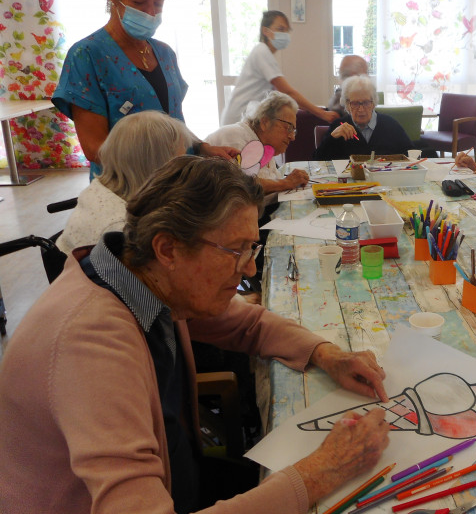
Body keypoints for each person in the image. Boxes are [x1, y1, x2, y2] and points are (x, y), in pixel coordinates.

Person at [0, 156, 390, 514]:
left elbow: (249, 324)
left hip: (179, 472)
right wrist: (322, 472)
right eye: (236, 249)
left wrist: (328, 354)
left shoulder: (141, 278)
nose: (250, 268)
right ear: (168, 248)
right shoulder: (89, 344)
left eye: (251, 247)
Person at [51, 0, 233, 179]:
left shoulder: (165, 54)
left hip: (174, 184)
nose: (150, 12)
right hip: (126, 189)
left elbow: (174, 125)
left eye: (158, 4)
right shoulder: (87, 55)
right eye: (139, 2)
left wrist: (203, 148)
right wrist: (157, 163)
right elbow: (95, 148)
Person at [56, 110, 190, 254]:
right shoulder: (122, 230)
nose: (182, 169)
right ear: (156, 165)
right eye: (180, 159)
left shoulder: (101, 187)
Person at [220, 10, 338, 125]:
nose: (285, 34)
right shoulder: (262, 52)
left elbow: (282, 96)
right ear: (265, 31)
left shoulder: (264, 53)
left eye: (287, 31)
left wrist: (312, 109)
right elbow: (287, 92)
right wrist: (320, 113)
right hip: (237, 119)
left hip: (244, 118)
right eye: (281, 29)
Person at [205, 91, 309, 204]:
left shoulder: (264, 144)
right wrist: (285, 183)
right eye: (288, 127)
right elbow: (241, 186)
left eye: (294, 130)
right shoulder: (236, 137)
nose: (292, 137)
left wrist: (289, 181)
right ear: (265, 122)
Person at [314, 75, 414, 161]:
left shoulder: (390, 125)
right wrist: (332, 138)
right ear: (347, 105)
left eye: (366, 103)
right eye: (355, 103)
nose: (361, 109)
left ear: (373, 103)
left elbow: (411, 155)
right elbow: (316, 161)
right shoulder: (338, 126)